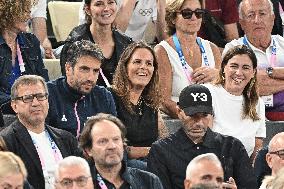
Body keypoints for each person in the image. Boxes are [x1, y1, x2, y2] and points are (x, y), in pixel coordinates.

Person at [147, 84, 257, 189]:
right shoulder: (162, 150)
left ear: (212, 113)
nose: (199, 123)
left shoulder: (232, 146)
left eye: (204, 115)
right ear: (179, 111)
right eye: (192, 115)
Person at [0, 75, 81, 189]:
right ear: (14, 106)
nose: (35, 103)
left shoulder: (66, 138)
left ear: (47, 101)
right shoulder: (6, 142)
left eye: (40, 96)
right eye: (27, 98)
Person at [156, 0, 221, 118]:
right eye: (187, 13)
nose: (194, 18)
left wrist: (219, 76)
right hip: (178, 120)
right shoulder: (162, 51)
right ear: (172, 18)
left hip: (213, 119)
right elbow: (163, 101)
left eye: (198, 13)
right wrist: (191, 117)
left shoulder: (213, 49)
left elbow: (226, 93)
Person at [223, 0, 284, 121]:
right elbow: (242, 86)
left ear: (272, 18)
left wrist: (265, 74)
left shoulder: (282, 43)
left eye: (262, 14)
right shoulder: (233, 49)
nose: (257, 20)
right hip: (248, 117)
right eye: (250, 15)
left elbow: (251, 83)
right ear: (242, 23)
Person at [204, 45, 266, 161]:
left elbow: (257, 146)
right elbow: (205, 142)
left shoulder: (257, 102)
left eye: (245, 68)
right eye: (234, 66)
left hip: (244, 169)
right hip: (213, 165)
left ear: (253, 72)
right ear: (223, 68)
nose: (239, 72)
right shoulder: (209, 93)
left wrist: (250, 174)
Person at [110, 41, 168, 160]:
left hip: (150, 164)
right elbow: (113, 148)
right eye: (137, 62)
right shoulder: (109, 97)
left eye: (149, 63)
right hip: (124, 166)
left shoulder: (151, 103)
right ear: (125, 66)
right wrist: (152, 151)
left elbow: (165, 142)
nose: (143, 67)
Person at [46, 40, 117, 138]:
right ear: (68, 68)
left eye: (95, 71)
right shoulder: (47, 94)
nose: (90, 78)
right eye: (84, 69)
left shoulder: (104, 97)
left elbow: (113, 138)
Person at [79, 113, 164, 188]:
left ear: (123, 145)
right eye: (103, 141)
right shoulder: (79, 185)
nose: (112, 146)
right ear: (88, 150)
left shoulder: (149, 181)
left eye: (116, 139)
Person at [60, 0, 132, 87]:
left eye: (110, 2)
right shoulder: (75, 43)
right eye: (99, 4)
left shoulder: (126, 44)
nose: (106, 8)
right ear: (87, 9)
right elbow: (69, 85)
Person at [0, 0, 49, 106]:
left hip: (31, 106)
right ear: (8, 13)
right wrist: (19, 102)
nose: (29, 17)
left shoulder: (31, 42)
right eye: (25, 12)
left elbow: (44, 81)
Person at [79, 0, 168, 42]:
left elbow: (163, 38)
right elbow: (113, 34)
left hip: (133, 50)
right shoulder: (99, 4)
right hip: (95, 44)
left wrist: (161, 4)